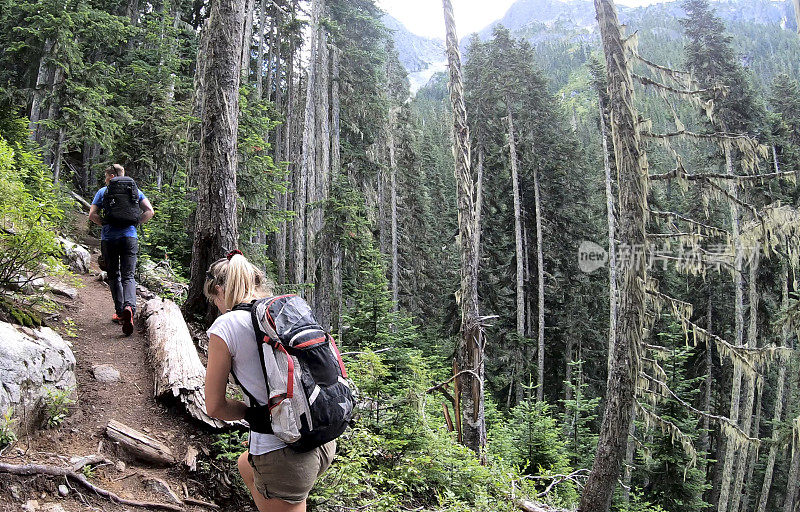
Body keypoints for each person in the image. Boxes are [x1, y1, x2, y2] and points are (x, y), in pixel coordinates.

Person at [203, 251, 336, 512]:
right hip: (321, 436)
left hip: (283, 454)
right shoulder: (285, 312)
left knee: (278, 480)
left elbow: (215, 407)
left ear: (220, 290)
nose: (216, 305)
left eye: (213, 299)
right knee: (245, 464)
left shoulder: (226, 326)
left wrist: (254, 414)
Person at [88, 164, 154, 336]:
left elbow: (92, 214)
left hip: (109, 239)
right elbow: (149, 211)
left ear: (111, 175)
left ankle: (119, 312)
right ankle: (129, 307)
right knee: (128, 275)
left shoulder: (103, 192)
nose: (105, 180)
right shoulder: (134, 191)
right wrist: (135, 223)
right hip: (130, 238)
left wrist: (104, 224)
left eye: (105, 177)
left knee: (114, 275)